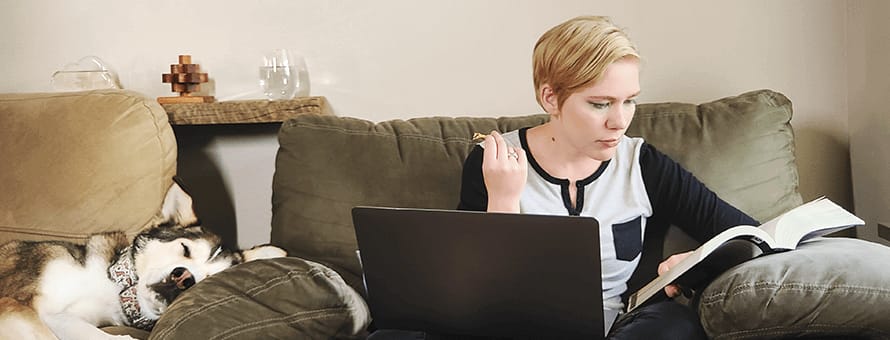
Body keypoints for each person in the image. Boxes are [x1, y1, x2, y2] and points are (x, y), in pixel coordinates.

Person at [370, 15, 757, 339]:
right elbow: (479, 297)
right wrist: (503, 200)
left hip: (612, 330)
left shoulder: (644, 164)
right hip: (510, 330)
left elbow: (751, 235)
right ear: (550, 98)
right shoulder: (493, 161)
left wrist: (697, 263)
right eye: (599, 104)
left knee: (676, 325)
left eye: (629, 100)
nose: (619, 121)